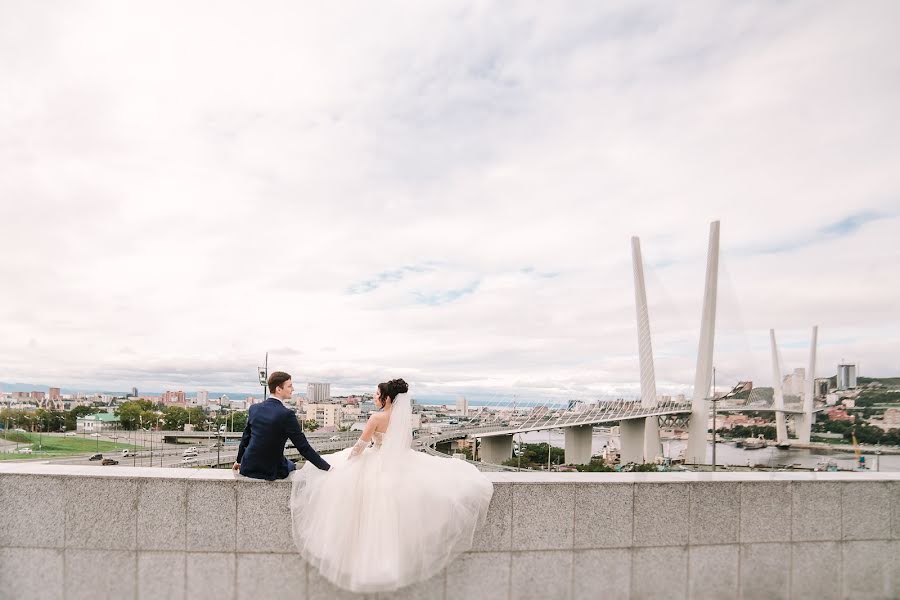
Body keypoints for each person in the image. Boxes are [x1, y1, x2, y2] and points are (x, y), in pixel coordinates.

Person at [289, 378, 493, 593]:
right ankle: (388, 563)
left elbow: (360, 446)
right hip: (398, 461)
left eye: (377, 394)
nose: (374, 397)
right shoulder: (402, 418)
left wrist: (347, 463)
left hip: (375, 459)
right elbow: (403, 445)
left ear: (386, 398)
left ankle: (368, 563)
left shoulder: (376, 417)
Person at [233, 371, 331, 480]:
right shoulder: (287, 414)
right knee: (292, 465)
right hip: (270, 470)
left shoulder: (254, 408)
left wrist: (239, 461)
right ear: (278, 389)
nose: (292, 389)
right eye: (289, 386)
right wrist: (327, 468)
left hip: (248, 467)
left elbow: (245, 438)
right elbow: (303, 448)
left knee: (287, 462)